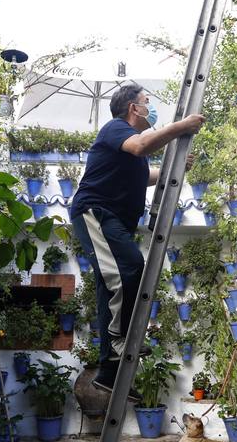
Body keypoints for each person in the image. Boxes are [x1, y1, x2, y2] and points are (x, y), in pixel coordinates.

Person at [68, 83, 204, 396]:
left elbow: (144, 175)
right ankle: (120, 341)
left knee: (111, 285)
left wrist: (176, 166)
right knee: (129, 266)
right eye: (146, 101)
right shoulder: (116, 129)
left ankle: (109, 373)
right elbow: (141, 146)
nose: (149, 107)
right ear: (133, 108)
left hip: (112, 219)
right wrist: (180, 127)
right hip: (96, 213)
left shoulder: (131, 149)